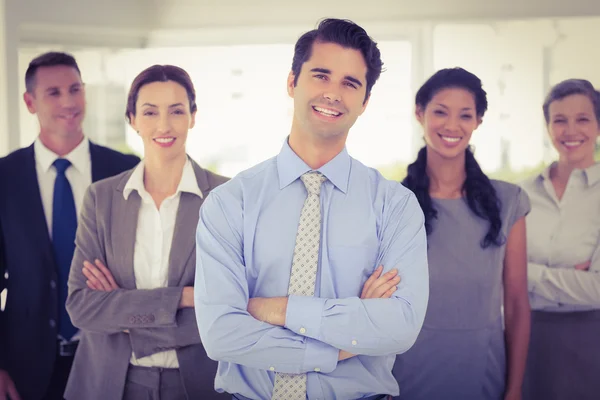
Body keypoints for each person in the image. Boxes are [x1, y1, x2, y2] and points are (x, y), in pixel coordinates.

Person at [194, 18, 429, 400]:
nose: (333, 93)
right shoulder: (229, 203)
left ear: (365, 101)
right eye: (321, 76)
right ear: (292, 82)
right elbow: (221, 334)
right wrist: (341, 344)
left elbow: (400, 326)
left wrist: (280, 310)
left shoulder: (395, 207)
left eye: (350, 83)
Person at [64, 65, 229, 400]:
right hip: (108, 385)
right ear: (132, 120)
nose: (164, 125)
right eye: (150, 112)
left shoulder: (227, 199)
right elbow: (82, 306)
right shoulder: (101, 198)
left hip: (197, 386)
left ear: (193, 117)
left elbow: (228, 311)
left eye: (177, 111)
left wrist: (123, 314)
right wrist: (182, 298)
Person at [0, 51, 139, 400]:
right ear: (30, 102)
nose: (69, 101)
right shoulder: (5, 177)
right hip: (25, 368)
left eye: (75, 89)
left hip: (115, 359)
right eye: (54, 93)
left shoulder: (126, 170)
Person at [393, 67, 531, 400]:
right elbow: (378, 306)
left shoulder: (509, 201)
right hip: (408, 372)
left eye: (465, 115)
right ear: (419, 114)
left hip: (483, 369)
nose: (452, 126)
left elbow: (515, 303)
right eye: (440, 112)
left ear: (477, 122)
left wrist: (513, 390)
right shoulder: (393, 203)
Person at [521, 79, 600, 400]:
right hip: (524, 336)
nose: (571, 131)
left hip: (590, 339)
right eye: (559, 120)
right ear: (548, 127)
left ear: (597, 124)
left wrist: (525, 272)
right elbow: (494, 273)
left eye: (582, 119)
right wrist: (572, 279)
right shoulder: (521, 194)